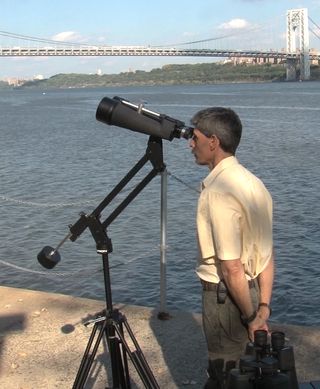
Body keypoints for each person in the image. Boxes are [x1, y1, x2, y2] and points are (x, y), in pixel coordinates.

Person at [189, 107, 274, 389]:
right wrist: (263, 306)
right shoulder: (255, 184)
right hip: (252, 293)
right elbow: (266, 255)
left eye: (195, 137)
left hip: (226, 299)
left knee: (225, 374)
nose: (191, 144)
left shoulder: (218, 191)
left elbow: (231, 267)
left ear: (213, 142)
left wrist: (251, 318)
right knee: (247, 372)